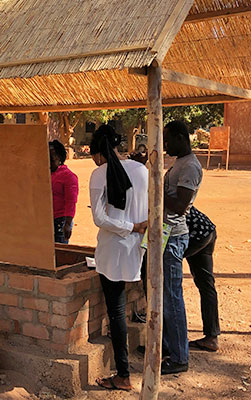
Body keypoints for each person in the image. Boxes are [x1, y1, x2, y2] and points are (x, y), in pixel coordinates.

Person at [88, 125, 148, 391]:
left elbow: (99, 218)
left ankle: (123, 375)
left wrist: (129, 227)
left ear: (97, 153)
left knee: (116, 312)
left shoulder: (99, 173)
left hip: (113, 250)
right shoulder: (141, 169)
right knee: (132, 306)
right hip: (139, 248)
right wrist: (136, 228)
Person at [159, 120, 203, 375]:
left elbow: (179, 205)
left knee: (173, 297)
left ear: (179, 137)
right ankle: (166, 346)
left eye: (168, 139)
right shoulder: (180, 164)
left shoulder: (190, 166)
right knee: (163, 293)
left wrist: (154, 186)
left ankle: (179, 357)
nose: (165, 145)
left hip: (173, 235)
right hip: (164, 233)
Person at [184, 206, 220, 352]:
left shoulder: (157, 197)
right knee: (206, 285)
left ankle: (173, 338)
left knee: (169, 281)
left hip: (196, 235)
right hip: (207, 230)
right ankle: (212, 337)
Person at [49, 140, 78, 244]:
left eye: (52, 155)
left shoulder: (69, 177)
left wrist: (68, 224)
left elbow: (71, 202)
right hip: (45, 219)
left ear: (60, 157)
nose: (49, 158)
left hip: (60, 221)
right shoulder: (43, 174)